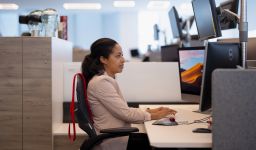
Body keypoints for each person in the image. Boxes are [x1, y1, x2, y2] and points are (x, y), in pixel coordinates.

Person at [82, 38, 177, 150]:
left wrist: (151, 111)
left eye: (122, 55)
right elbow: (126, 114)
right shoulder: (101, 82)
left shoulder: (103, 80)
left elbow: (121, 110)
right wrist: (156, 116)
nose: (123, 60)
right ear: (103, 59)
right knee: (166, 143)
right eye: (118, 56)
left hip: (116, 136)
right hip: (113, 141)